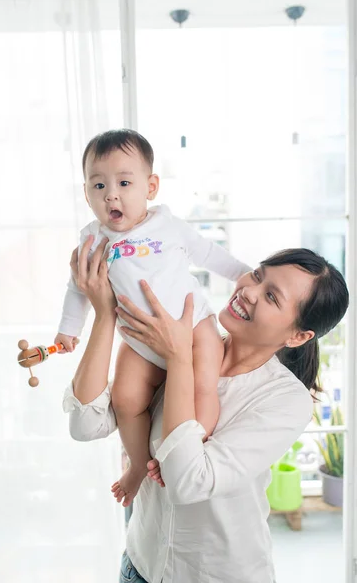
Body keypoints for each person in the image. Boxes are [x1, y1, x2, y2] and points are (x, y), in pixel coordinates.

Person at [63, 238, 348, 583]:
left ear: (298, 336)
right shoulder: (184, 337)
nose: (250, 292)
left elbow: (187, 483)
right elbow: (85, 425)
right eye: (257, 276)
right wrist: (105, 314)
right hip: (140, 566)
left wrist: (179, 358)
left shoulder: (285, 400)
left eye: (272, 296)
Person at [55, 129, 249, 506]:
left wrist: (243, 276)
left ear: (151, 186)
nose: (111, 194)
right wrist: (67, 330)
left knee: (203, 387)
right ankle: (138, 465)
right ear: (86, 194)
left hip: (193, 329)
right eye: (99, 185)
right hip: (138, 340)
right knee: (126, 398)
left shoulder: (169, 226)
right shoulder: (92, 242)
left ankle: (190, 448)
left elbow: (209, 254)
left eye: (124, 182)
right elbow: (78, 288)